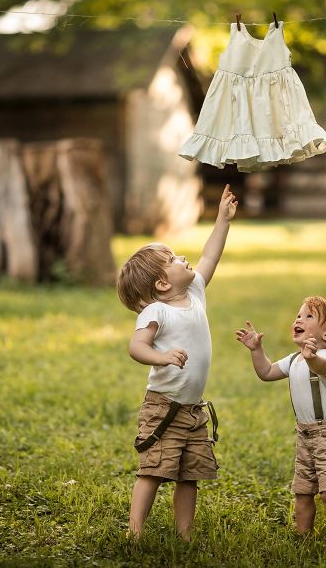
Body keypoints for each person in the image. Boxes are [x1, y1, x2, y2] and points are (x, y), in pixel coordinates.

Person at [117, 184, 238, 541]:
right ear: (162, 283)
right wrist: (163, 356)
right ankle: (134, 532)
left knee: (190, 474)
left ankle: (184, 534)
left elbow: (210, 257)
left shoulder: (195, 293)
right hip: (163, 407)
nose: (182, 258)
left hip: (193, 409)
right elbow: (136, 346)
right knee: (153, 470)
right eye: (172, 260)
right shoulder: (158, 310)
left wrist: (222, 220)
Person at [235, 297, 326, 547]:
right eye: (298, 315)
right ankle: (302, 538)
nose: (298, 319)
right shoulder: (294, 360)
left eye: (308, 316)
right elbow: (267, 373)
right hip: (305, 436)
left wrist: (311, 356)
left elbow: (321, 368)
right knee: (302, 492)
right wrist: (256, 351)